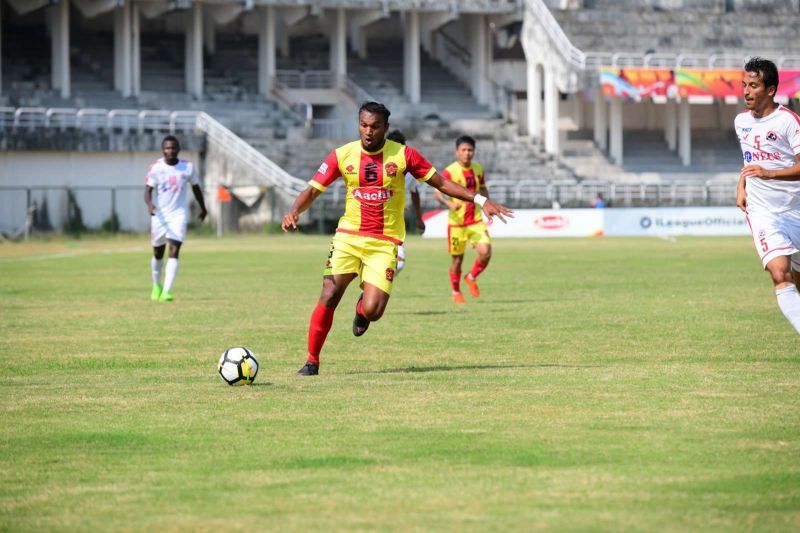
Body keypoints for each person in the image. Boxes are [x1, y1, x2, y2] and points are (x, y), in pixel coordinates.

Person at [282, 102, 513, 376]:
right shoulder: (342, 155)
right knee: (329, 294)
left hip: (384, 241)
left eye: (375, 126)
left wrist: (479, 199)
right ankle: (312, 361)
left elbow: (440, 182)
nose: (368, 131)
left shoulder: (404, 156)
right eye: (364, 125)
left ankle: (362, 308)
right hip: (349, 237)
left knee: (374, 310)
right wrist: (294, 211)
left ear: (386, 128)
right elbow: (312, 189)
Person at [735, 57, 800, 334]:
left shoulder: (788, 121)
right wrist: (742, 184)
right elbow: (749, 159)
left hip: (794, 210)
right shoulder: (740, 121)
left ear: (770, 90)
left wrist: (770, 173)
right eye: (744, 85)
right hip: (763, 213)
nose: (746, 91)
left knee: (795, 280)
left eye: (753, 85)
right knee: (779, 273)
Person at [144, 135, 207, 302]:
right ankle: (156, 286)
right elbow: (147, 191)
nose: (170, 151)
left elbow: (196, 188)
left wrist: (203, 207)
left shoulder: (187, 167)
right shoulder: (155, 168)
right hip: (159, 215)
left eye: (173, 148)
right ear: (163, 150)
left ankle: (167, 292)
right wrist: (150, 205)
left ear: (178, 149)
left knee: (174, 250)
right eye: (167, 148)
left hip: (178, 215)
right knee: (158, 253)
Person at [434, 135, 493, 304]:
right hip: (456, 224)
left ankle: (471, 276)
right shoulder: (449, 171)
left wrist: (486, 206)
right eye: (463, 150)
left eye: (470, 150)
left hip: (475, 221)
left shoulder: (478, 169)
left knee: (486, 252)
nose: (467, 153)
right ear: (457, 151)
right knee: (457, 260)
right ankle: (456, 291)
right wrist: (449, 204)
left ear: (474, 151)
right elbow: (437, 193)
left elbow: (482, 188)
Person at [385, 129, 425, 275]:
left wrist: (419, 217)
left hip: (395, 225)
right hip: (372, 224)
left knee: (398, 264)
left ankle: (369, 296)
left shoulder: (408, 173)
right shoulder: (376, 167)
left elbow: (414, 193)